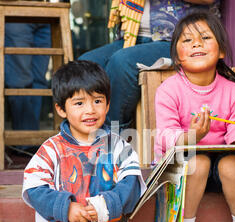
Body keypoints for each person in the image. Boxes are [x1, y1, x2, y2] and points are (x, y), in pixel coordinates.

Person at [0, 60, 146, 222]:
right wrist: (65, 208)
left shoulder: (118, 146)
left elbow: (131, 184)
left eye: (98, 101)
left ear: (108, 105)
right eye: (79, 103)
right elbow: (34, 187)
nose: (90, 110)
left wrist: (106, 205)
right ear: (61, 109)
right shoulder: (52, 149)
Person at [154, 11, 235, 222]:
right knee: (197, 162)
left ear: (221, 50)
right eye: (187, 40)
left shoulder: (233, 91)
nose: (196, 44)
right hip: (180, 172)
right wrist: (192, 136)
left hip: (219, 171)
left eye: (204, 37)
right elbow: (165, 136)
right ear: (177, 56)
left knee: (232, 166)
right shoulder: (169, 90)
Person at [79, 0, 219, 129]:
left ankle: (111, 139)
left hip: (180, 40)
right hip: (131, 38)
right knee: (84, 66)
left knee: (122, 62)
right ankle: (81, 138)